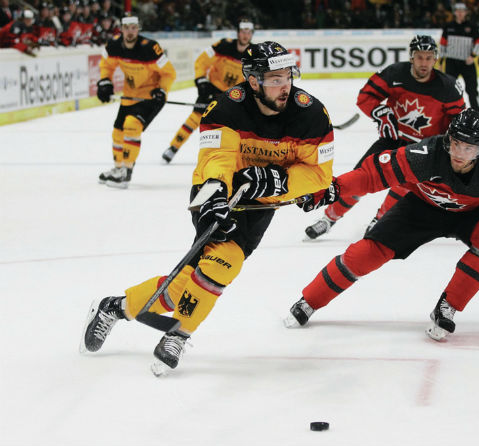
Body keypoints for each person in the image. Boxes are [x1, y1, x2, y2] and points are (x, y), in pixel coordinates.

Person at [80, 41, 335, 374]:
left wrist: (283, 183)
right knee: (223, 263)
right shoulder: (226, 107)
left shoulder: (311, 114)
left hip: (260, 205)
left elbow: (320, 173)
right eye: (274, 78)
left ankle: (115, 307)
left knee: (190, 282)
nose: (284, 85)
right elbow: (218, 159)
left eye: (287, 75)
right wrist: (216, 193)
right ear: (254, 80)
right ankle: (178, 335)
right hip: (216, 192)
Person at [285, 109, 479, 341]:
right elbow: (371, 176)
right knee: (366, 253)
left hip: (472, 214)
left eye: (469, 149)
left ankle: (448, 307)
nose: (459, 154)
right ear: (448, 140)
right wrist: (332, 189)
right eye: (455, 144)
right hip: (420, 209)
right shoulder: (424, 156)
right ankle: (309, 300)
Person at [305, 35, 465, 240]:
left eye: (428, 57)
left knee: (402, 187)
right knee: (358, 178)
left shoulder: (448, 87)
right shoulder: (394, 73)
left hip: (423, 149)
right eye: (419, 57)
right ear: (411, 57)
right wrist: (379, 112)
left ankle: (380, 219)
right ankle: (328, 219)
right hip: (392, 139)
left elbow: (458, 123)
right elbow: (365, 97)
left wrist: (446, 148)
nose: (424, 62)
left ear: (435, 59)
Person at [95, 14, 176, 188]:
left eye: (133, 28)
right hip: (129, 95)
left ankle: (126, 171)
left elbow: (169, 72)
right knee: (118, 131)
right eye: (126, 28)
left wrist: (162, 90)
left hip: (151, 97)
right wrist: (105, 82)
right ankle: (117, 169)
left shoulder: (150, 48)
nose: (130, 32)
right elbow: (106, 65)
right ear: (121, 29)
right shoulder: (114, 45)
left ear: (138, 29)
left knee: (132, 125)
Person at [162, 19, 254, 163]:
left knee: (232, 128)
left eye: (248, 32)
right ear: (238, 32)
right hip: (212, 90)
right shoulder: (223, 45)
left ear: (252, 34)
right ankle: (173, 148)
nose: (245, 35)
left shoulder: (253, 54)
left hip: (233, 95)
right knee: (194, 119)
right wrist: (201, 81)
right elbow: (202, 61)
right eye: (243, 31)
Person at [439, 3, 479, 111]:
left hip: (467, 63)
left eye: (462, 11)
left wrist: (473, 56)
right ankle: (446, 111)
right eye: (457, 11)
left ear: (466, 12)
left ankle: (477, 112)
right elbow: (443, 45)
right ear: (454, 13)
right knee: (448, 88)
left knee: (472, 89)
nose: (459, 13)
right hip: (451, 62)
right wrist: (441, 63)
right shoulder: (448, 27)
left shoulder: (472, 27)